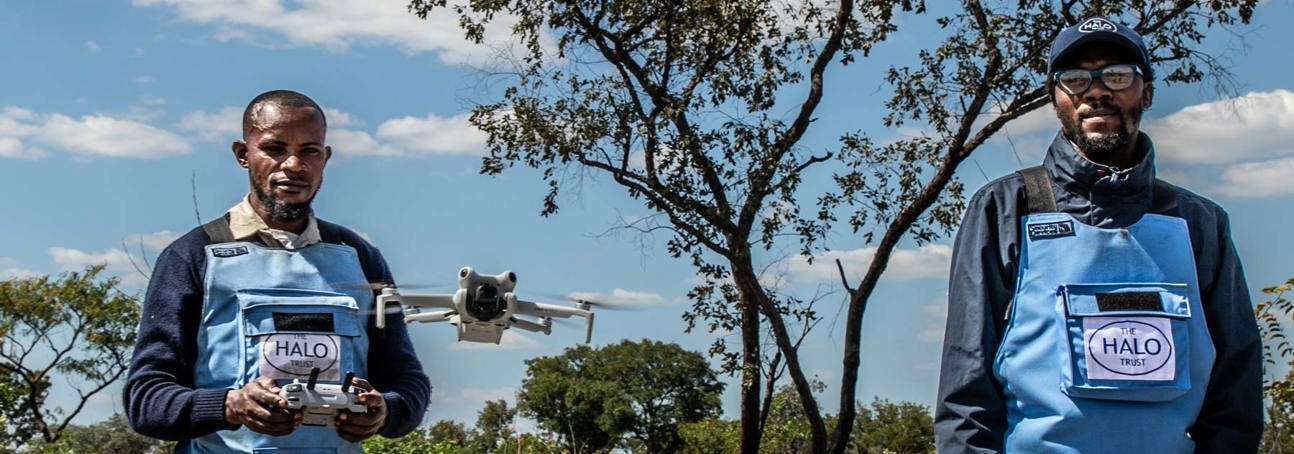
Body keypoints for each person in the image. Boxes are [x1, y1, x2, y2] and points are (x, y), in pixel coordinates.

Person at [935, 17, 1261, 453]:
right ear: (1055, 98)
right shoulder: (1005, 209)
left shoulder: (1199, 223)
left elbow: (1235, 394)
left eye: (1117, 75)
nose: (1095, 91)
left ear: (1146, 91)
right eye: (1074, 79)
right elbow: (966, 391)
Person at [125, 90, 431, 453]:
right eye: (275, 148)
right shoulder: (193, 256)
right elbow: (146, 399)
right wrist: (230, 405)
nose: (293, 165)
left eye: (309, 151)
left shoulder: (361, 258)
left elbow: (408, 382)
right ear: (243, 154)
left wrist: (385, 411)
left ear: (325, 158)